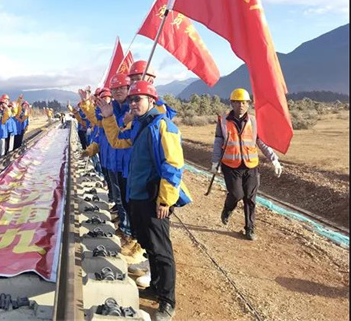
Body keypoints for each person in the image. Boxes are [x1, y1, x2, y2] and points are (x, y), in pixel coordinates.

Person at [98, 81, 192, 321]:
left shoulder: (163, 126)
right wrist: (108, 117)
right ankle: (156, 287)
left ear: (152, 100)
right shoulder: (139, 125)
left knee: (161, 250)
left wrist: (165, 201)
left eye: (138, 99)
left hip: (154, 198)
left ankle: (167, 301)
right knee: (148, 244)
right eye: (131, 99)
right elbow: (117, 141)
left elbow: (173, 165)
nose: (133, 103)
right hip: (137, 195)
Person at [211, 88, 283, 241]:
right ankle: (228, 209)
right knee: (236, 195)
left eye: (244, 102)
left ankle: (249, 229)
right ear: (232, 103)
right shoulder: (223, 121)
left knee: (250, 198)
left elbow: (261, 142)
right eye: (238, 102)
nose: (241, 105)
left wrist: (274, 159)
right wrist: (215, 162)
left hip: (251, 166)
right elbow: (218, 143)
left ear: (248, 104)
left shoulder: (254, 121)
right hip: (231, 165)